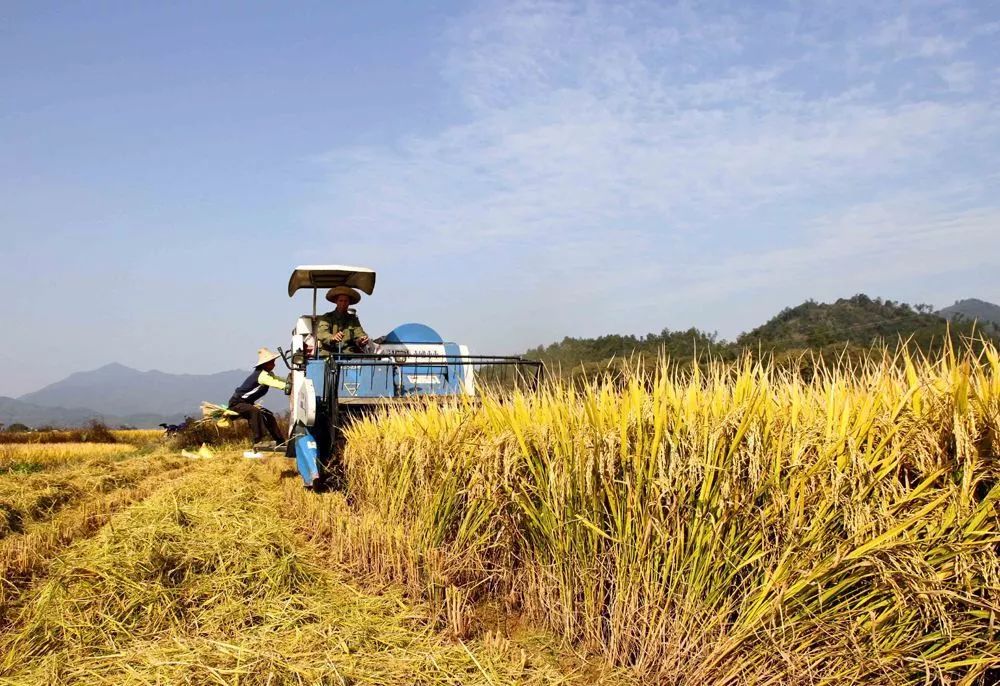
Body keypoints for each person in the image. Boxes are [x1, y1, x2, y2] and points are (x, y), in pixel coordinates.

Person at [228, 348, 288, 449]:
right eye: (272, 362)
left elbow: (279, 379)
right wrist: (288, 387)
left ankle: (280, 442)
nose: (274, 364)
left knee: (268, 415)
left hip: (247, 403)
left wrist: (292, 381)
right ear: (265, 364)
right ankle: (258, 441)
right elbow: (276, 383)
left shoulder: (268, 374)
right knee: (254, 411)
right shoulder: (262, 376)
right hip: (237, 404)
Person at [314, 286, 371, 354]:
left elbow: (359, 334)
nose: (343, 304)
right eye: (340, 301)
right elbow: (322, 333)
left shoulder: (353, 319)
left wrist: (362, 339)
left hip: (348, 355)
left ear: (349, 303)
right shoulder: (326, 317)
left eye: (346, 301)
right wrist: (332, 337)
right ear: (336, 302)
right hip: (328, 354)